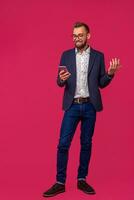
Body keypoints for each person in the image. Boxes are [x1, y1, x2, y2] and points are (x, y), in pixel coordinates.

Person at [43, 22, 121, 197]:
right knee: (63, 144)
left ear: (88, 36)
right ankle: (60, 182)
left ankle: (82, 179)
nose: (77, 38)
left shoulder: (98, 56)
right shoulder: (66, 55)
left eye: (80, 35)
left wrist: (110, 74)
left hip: (90, 106)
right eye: (74, 36)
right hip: (71, 105)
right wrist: (61, 79)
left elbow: (101, 83)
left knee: (86, 144)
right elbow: (59, 81)